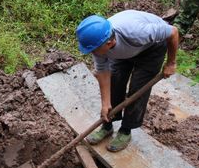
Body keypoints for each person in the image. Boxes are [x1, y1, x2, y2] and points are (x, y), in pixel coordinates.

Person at [76, 10, 179, 152]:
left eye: (94, 50)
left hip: (151, 48)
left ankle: (125, 130)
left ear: (109, 42)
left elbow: (173, 32)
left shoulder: (137, 32)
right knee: (115, 81)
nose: (92, 53)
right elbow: (103, 72)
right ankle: (107, 125)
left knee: (137, 89)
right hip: (125, 50)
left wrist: (171, 63)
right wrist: (105, 104)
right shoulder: (98, 44)